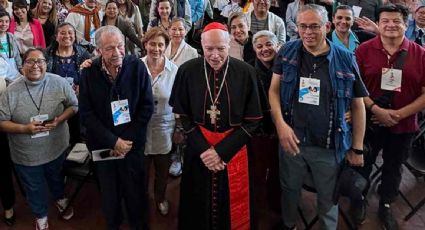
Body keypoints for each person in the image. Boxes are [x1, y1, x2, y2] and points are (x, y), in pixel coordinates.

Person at [269, 4, 368, 229]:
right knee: (289, 189)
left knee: (328, 198)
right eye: (303, 26)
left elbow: (358, 104)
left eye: (314, 26)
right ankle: (289, 224)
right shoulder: (287, 51)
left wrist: (357, 147)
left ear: (327, 26)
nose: (308, 32)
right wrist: (281, 125)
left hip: (329, 145)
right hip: (292, 140)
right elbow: (273, 91)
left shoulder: (345, 58)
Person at [169, 22, 263, 230]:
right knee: (197, 201)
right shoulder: (187, 71)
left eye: (220, 48)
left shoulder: (246, 72)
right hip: (198, 151)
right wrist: (205, 151)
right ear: (201, 45)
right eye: (209, 49)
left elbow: (254, 121)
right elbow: (183, 116)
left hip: (234, 151)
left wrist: (221, 151)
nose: (214, 55)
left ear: (229, 44)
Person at [355, 4, 425, 230]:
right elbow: (354, 88)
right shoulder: (363, 51)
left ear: (406, 24)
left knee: (394, 167)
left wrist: (398, 115)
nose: (391, 25)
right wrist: (377, 110)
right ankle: (359, 199)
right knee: (363, 163)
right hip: (370, 122)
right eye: (385, 20)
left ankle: (385, 204)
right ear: (379, 23)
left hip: (404, 125)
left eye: (397, 21)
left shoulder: (421, 54)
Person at [79, 25, 153, 230]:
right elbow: (87, 114)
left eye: (120, 46)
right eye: (110, 48)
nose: (117, 52)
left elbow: (146, 107)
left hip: (131, 145)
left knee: (135, 192)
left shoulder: (136, 66)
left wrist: (125, 141)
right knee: (109, 194)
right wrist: (113, 142)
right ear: (98, 50)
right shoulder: (89, 72)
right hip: (104, 146)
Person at [0, 48, 77, 230]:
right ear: (22, 66)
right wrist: (24, 128)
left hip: (56, 147)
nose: (36, 66)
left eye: (40, 61)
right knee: (34, 187)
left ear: (46, 63)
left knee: (57, 177)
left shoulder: (58, 82)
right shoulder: (11, 91)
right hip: (26, 153)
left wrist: (60, 119)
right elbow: (1, 121)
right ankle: (40, 215)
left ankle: (59, 198)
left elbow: (73, 105)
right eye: (30, 62)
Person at [141, 27, 178, 216]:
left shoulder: (174, 70)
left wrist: (179, 129)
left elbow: (179, 103)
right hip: (140, 128)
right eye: (152, 44)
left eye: (160, 45)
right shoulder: (135, 66)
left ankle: (160, 197)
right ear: (145, 44)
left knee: (162, 170)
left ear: (166, 47)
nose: (156, 48)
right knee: (142, 169)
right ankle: (142, 199)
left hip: (165, 128)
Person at [44, 22, 91, 145]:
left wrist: (83, 86)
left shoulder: (83, 53)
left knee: (78, 132)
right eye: (62, 33)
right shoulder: (47, 54)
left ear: (75, 36)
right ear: (56, 36)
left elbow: (91, 75)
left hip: (78, 99)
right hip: (54, 99)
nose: (67, 36)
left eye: (70, 33)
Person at [0, 9, 22, 83]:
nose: (4, 24)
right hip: (3, 77)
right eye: (1, 21)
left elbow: (17, 56)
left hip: (15, 74)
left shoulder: (10, 36)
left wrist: (21, 69)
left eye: (6, 21)